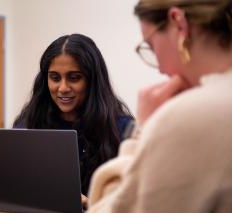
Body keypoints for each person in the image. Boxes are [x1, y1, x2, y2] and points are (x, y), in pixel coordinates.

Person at [87, 0, 232, 212]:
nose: (161, 70)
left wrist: (142, 130)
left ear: (179, 23)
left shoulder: (186, 118)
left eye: (151, 46)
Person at [13, 34, 133, 201]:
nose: (62, 88)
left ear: (92, 80)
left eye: (74, 78)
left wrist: (89, 204)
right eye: (55, 78)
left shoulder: (121, 129)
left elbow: (132, 198)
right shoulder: (29, 124)